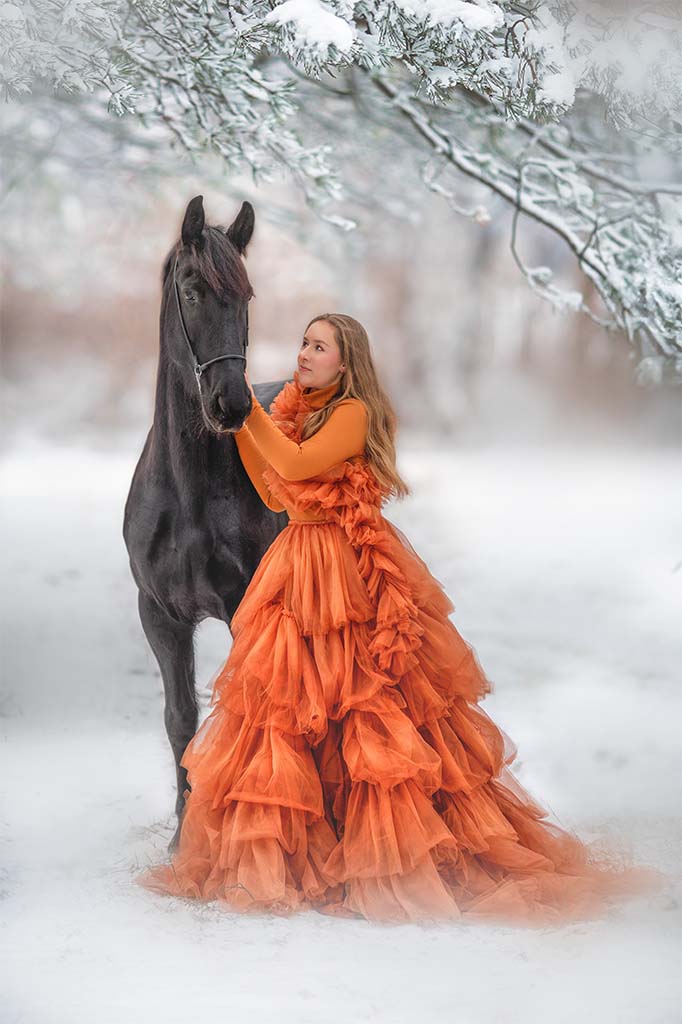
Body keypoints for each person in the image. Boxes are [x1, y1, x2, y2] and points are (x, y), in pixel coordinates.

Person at [135, 313, 664, 926]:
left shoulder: (351, 414)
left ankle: (389, 843)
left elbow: (302, 466)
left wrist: (250, 410)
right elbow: (278, 492)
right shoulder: (298, 412)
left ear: (345, 360)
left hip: (341, 569)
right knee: (295, 705)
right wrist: (249, 427)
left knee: (364, 705)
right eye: (303, 343)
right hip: (295, 561)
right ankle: (322, 832)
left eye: (318, 347)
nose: (303, 355)